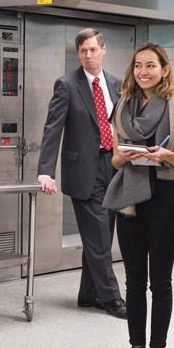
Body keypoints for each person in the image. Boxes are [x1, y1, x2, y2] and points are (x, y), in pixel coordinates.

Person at [104, 43, 174, 348]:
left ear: (164, 70)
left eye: (151, 66)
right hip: (130, 200)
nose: (143, 72)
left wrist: (165, 155)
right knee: (134, 283)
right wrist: (124, 158)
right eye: (138, 65)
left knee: (160, 283)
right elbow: (113, 158)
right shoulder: (123, 106)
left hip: (163, 200)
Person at [37, 28, 126, 319]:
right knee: (99, 237)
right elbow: (53, 130)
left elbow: (122, 126)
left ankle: (88, 294)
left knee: (100, 236)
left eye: (92, 49)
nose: (88, 55)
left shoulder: (115, 84)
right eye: (83, 51)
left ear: (103, 50)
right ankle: (112, 297)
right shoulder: (67, 85)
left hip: (112, 167)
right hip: (82, 171)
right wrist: (46, 171)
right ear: (78, 54)